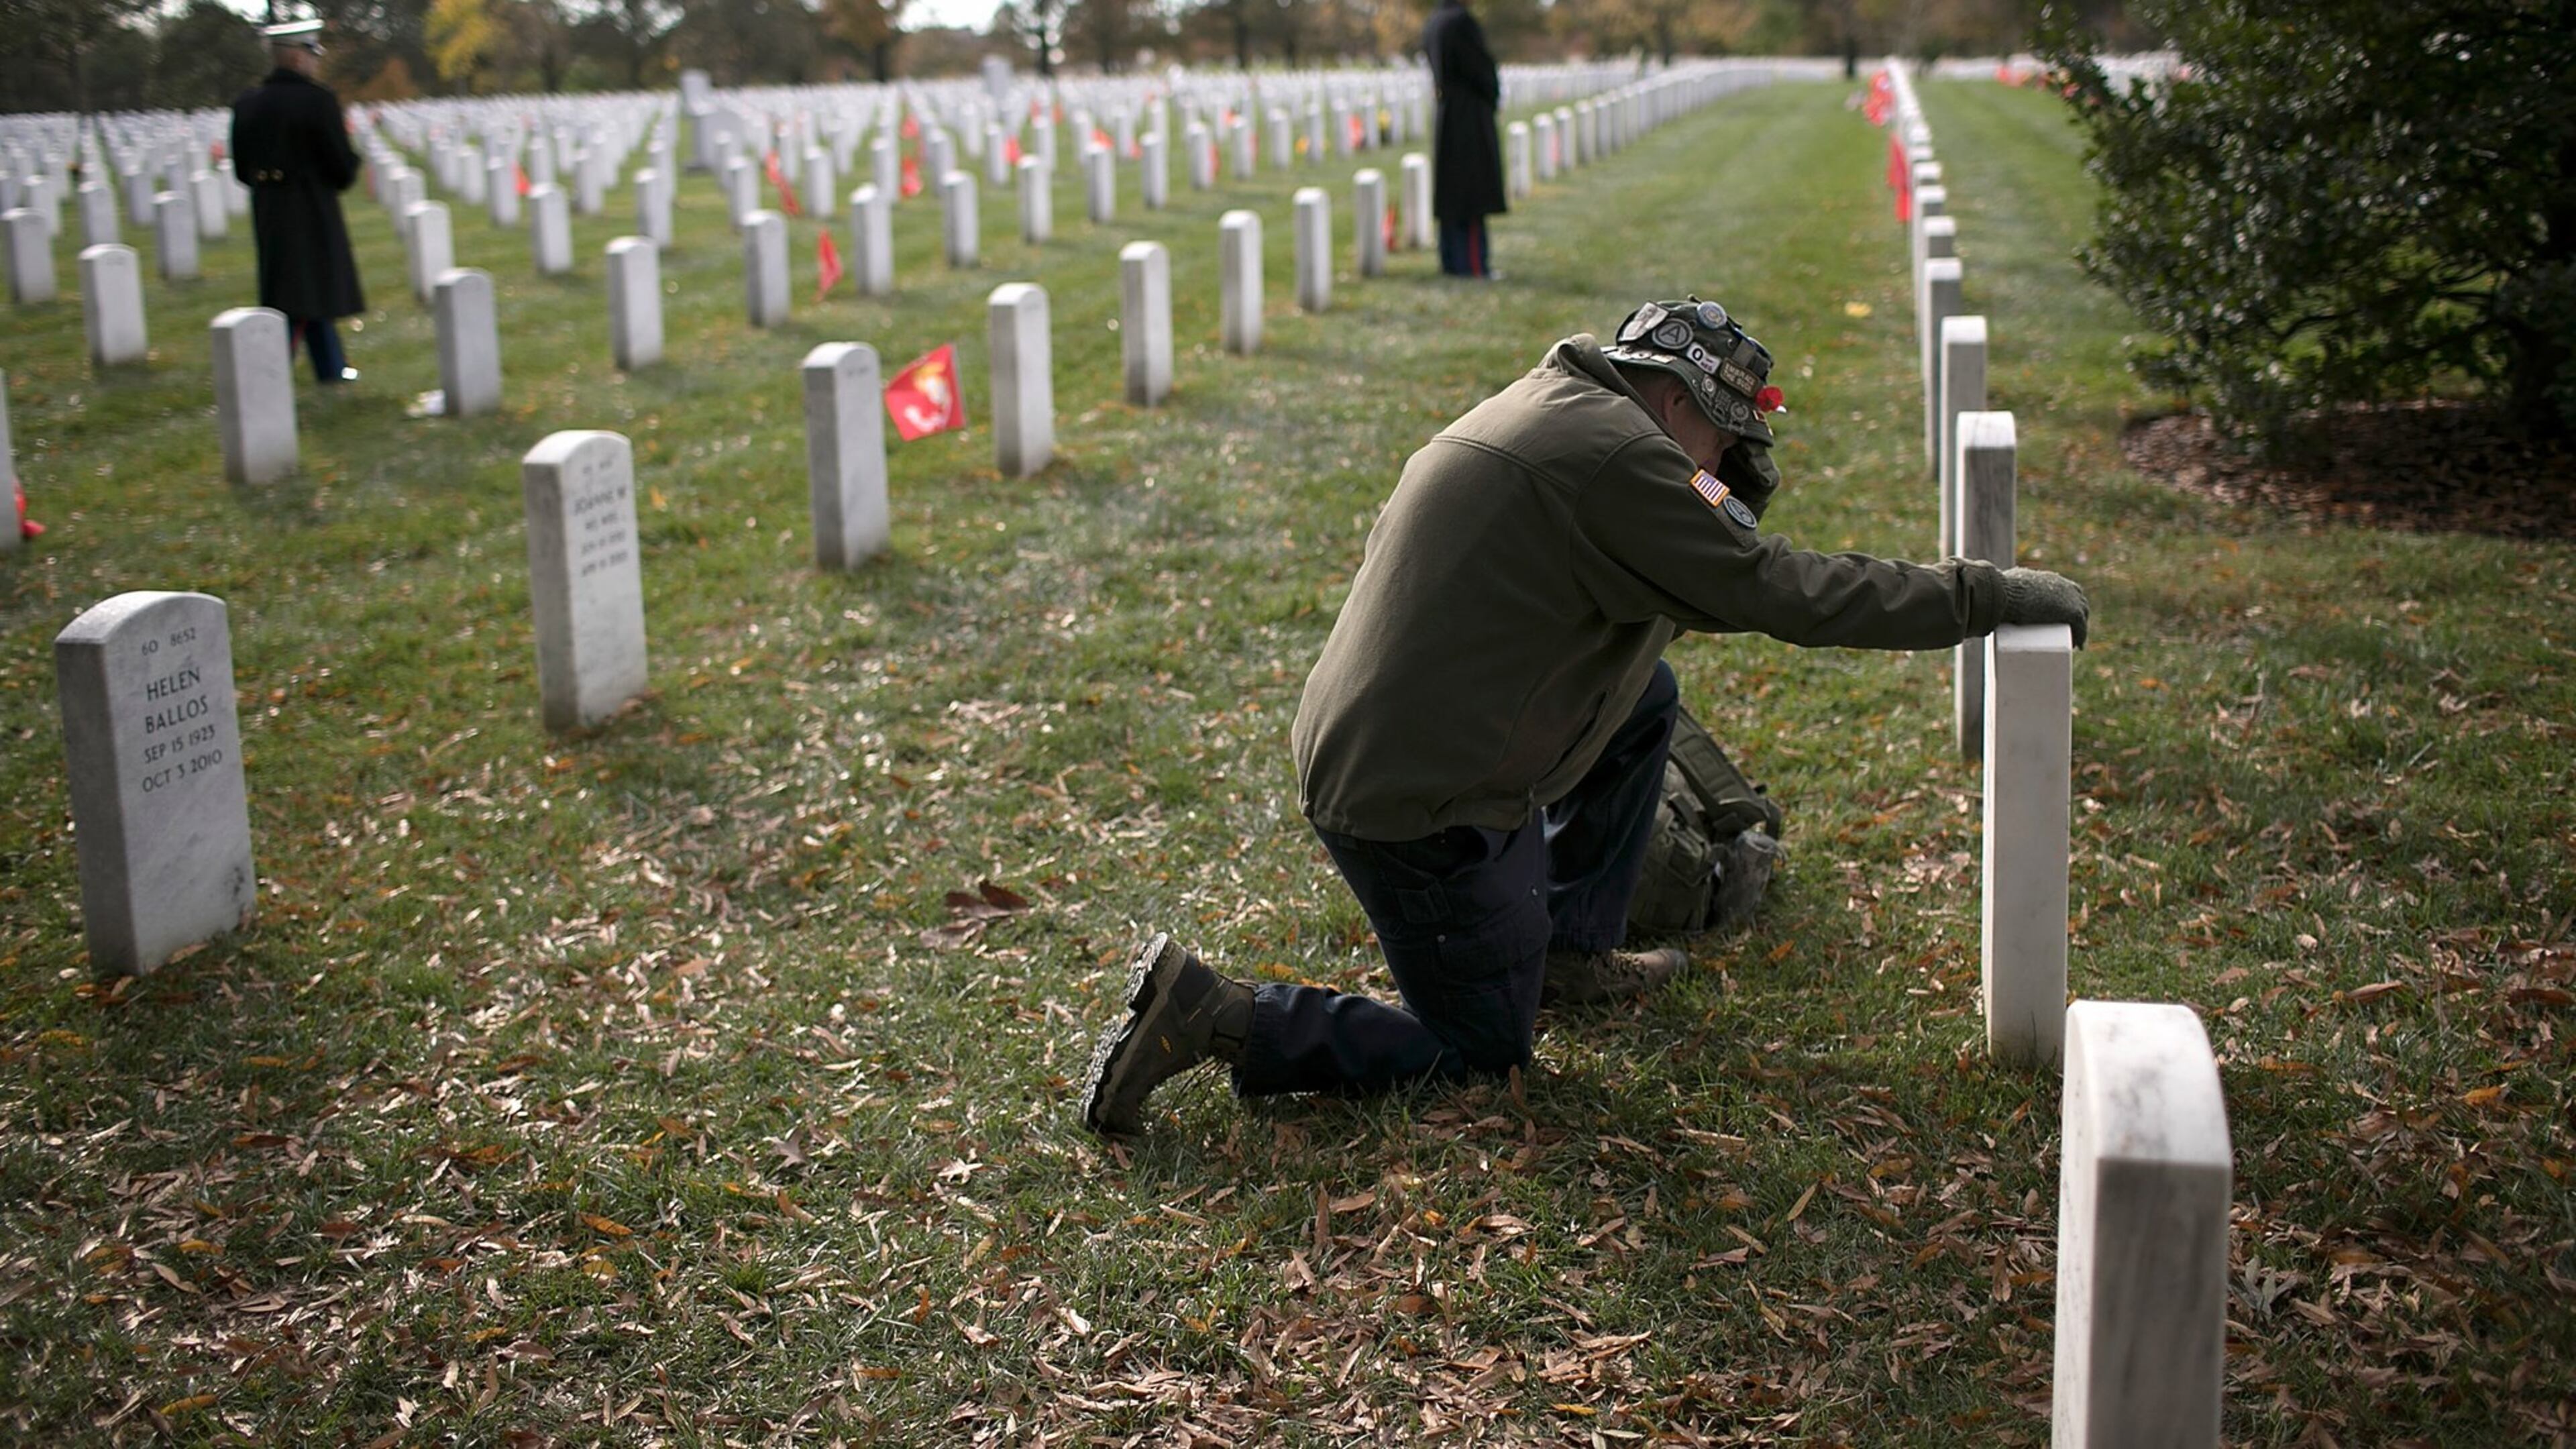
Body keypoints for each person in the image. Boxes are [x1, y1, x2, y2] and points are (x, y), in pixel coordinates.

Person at [1079, 297, 2092, 1136]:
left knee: (1646, 698)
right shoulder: (1624, 460)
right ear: (1671, 397)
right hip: (1421, 804)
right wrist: (1981, 597)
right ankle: (1217, 1015)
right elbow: (1786, 592)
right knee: (1478, 1055)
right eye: (1722, 442)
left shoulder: (1557, 401)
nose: (1722, 473)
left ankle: (1567, 947)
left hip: (1395, 739)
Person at [230, 19, 366, 386]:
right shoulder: (317, 101)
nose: (315, 61)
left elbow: (241, 167)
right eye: (311, 54)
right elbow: (340, 164)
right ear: (296, 58)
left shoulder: (247, 103)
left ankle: (330, 366)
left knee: (296, 285)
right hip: (309, 204)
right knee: (303, 291)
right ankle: (274, 369)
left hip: (269, 206)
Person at [1421, 0, 1505, 279]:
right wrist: (1492, 95)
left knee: (1453, 192)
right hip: (1468, 115)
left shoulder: (1435, 20)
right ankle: (1472, 265)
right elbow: (1480, 69)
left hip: (1448, 113)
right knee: (1470, 193)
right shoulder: (1461, 22)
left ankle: (1450, 260)